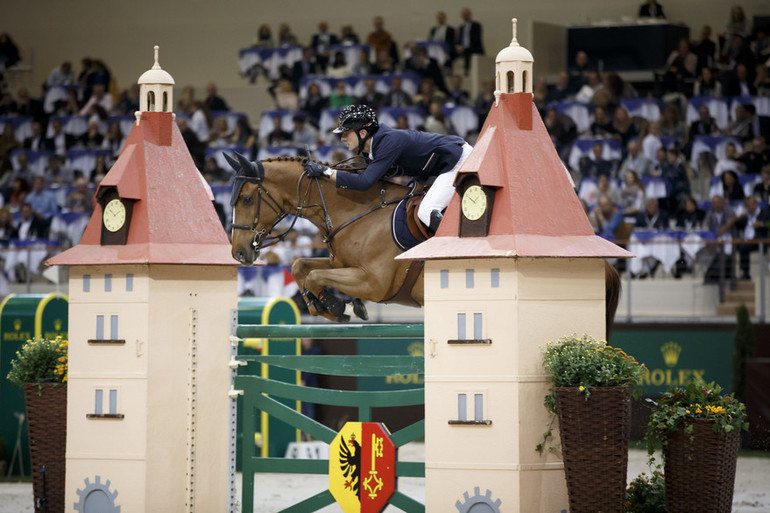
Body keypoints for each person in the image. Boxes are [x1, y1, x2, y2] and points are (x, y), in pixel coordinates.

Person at [301, 105, 472, 232]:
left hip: (456, 161)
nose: (342, 138)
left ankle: (461, 249)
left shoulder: (388, 142)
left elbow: (364, 183)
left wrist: (326, 171)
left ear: (362, 133)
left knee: (426, 212)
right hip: (434, 169)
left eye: (346, 133)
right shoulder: (372, 150)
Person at [735, 196, 770, 280]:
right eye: (748, 205)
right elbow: (736, 225)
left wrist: (761, 224)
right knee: (736, 246)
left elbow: (769, 224)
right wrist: (740, 217)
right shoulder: (746, 216)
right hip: (747, 239)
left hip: (759, 240)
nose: (751, 207)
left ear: (756, 204)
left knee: (743, 248)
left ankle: (745, 273)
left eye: (752, 204)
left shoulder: (765, 212)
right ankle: (734, 273)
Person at [456, 7, 484, 75]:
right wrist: (458, 47)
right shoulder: (461, 27)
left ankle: (466, 71)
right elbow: (459, 40)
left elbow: (477, 39)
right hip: (463, 48)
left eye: (466, 14)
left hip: (473, 48)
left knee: (467, 52)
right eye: (464, 15)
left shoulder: (476, 25)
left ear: (469, 15)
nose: (465, 16)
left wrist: (465, 48)